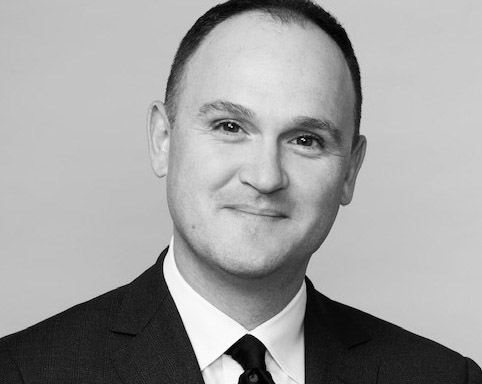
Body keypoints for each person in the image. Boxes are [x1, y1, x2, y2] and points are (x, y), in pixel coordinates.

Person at [1, 0, 480, 383]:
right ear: (163, 141)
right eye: (230, 126)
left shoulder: (444, 377)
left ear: (350, 170)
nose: (266, 177)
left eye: (306, 140)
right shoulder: (22, 371)